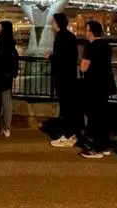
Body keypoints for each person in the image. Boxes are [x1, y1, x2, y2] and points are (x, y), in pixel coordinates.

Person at [79, 20, 116, 159]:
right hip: (105, 85)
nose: (86, 32)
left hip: (93, 85)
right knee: (103, 116)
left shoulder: (91, 46)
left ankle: (97, 149)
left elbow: (83, 67)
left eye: (87, 30)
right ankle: (105, 146)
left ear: (92, 32)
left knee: (94, 117)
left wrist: (80, 62)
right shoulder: (107, 45)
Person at [47, 13, 82, 148]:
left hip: (63, 77)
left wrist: (51, 57)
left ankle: (67, 136)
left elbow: (60, 59)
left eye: (53, 21)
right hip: (71, 76)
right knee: (70, 107)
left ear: (57, 23)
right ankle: (71, 134)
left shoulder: (60, 37)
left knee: (65, 107)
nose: (52, 24)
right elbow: (69, 56)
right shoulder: (71, 36)